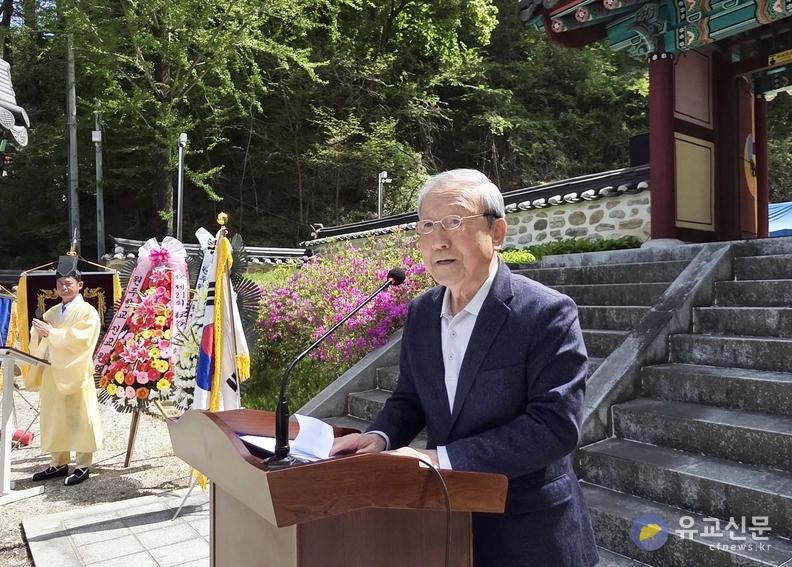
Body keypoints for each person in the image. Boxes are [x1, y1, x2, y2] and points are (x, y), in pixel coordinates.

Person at [330, 169, 599, 567]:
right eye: (426, 226)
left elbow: (555, 427)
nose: (439, 239)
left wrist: (443, 459)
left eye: (454, 222)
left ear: (497, 232)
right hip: (447, 529)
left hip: (531, 534)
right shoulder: (422, 312)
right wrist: (381, 436)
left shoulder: (545, 312)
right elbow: (409, 398)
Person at [26, 256, 103, 486]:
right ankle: (58, 462)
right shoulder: (51, 312)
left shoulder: (87, 312)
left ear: (80, 285)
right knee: (54, 417)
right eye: (60, 284)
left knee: (79, 417)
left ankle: (82, 465)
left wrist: (52, 334)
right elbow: (39, 339)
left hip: (75, 370)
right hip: (53, 371)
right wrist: (39, 334)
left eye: (69, 283)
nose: (64, 287)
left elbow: (82, 340)